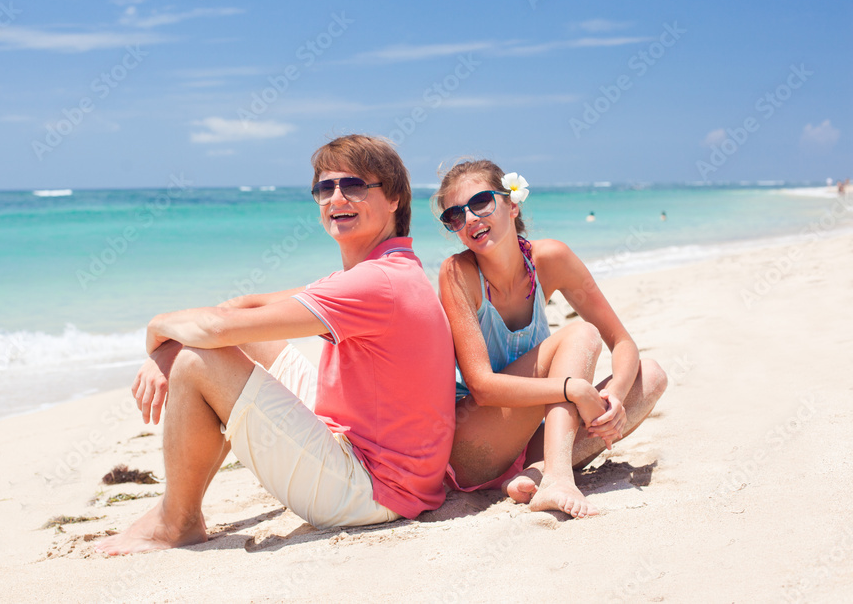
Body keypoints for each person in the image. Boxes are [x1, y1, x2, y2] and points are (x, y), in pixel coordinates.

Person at [97, 135, 456, 555]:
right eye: (326, 188)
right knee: (242, 342)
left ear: (394, 198)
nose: (336, 196)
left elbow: (216, 330)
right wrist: (165, 351)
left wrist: (159, 330)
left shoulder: (375, 282)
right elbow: (242, 308)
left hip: (372, 491)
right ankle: (183, 508)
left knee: (197, 362)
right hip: (378, 463)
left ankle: (176, 522)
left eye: (355, 185)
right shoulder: (385, 269)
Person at [432, 160, 667, 519]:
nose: (470, 219)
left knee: (650, 375)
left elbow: (622, 341)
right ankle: (557, 477)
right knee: (581, 335)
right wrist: (572, 389)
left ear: (512, 204)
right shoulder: (457, 273)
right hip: (474, 445)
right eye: (455, 215)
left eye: (481, 202)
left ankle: (538, 471)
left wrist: (616, 398)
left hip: (532, 438)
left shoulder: (551, 259)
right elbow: (482, 386)